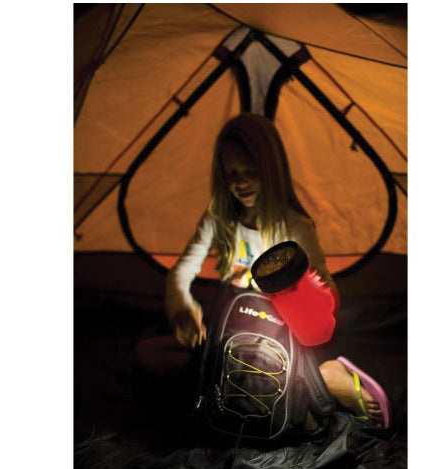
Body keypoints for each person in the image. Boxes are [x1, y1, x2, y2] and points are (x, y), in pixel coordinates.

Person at [136, 113, 388, 428]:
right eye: (231, 173)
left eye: (250, 172)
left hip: (277, 334)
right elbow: (181, 271)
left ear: (271, 170)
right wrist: (182, 310)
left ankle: (328, 377)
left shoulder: (294, 225)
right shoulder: (218, 218)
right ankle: (304, 382)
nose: (240, 183)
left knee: (264, 379)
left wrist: (302, 296)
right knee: (149, 353)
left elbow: (327, 290)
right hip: (229, 330)